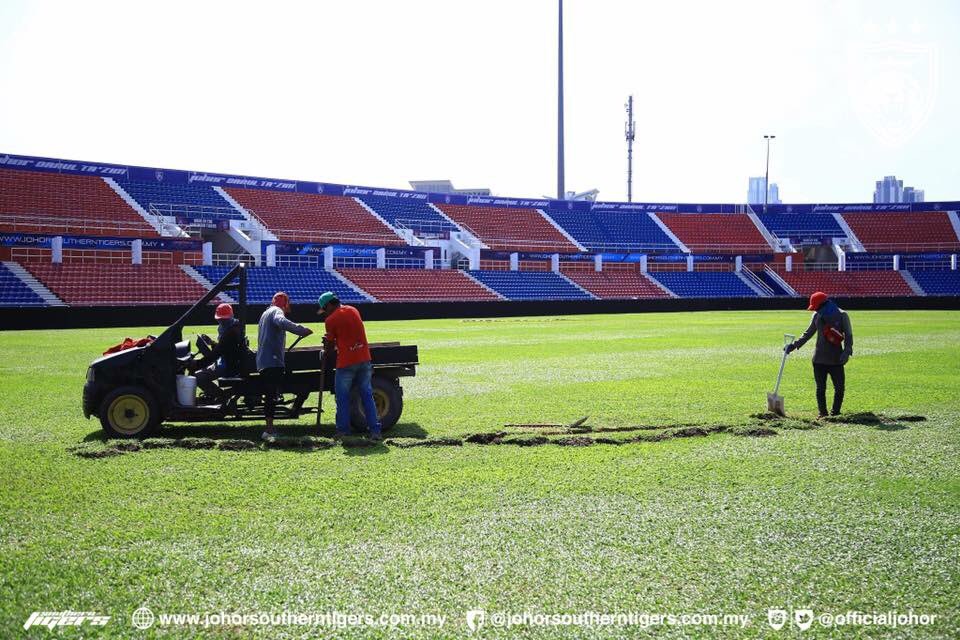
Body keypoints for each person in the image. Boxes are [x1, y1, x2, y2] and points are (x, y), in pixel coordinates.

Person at [317, 291, 382, 441]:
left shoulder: (330, 320)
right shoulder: (353, 310)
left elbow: (330, 345)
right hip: (364, 359)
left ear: (329, 305)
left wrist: (325, 349)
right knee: (367, 396)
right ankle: (375, 431)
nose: (325, 312)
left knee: (342, 398)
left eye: (325, 309)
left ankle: (343, 431)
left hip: (346, 362)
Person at [785, 291, 854, 418]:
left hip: (836, 359)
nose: (815, 310)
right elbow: (808, 334)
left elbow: (848, 335)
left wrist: (847, 351)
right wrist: (794, 345)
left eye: (816, 307)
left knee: (839, 388)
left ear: (824, 304)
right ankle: (823, 413)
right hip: (819, 359)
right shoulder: (817, 316)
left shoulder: (842, 315)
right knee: (820, 388)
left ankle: (835, 413)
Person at [257, 292, 312, 441]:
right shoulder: (276, 311)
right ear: (285, 304)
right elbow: (281, 321)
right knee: (271, 395)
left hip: (265, 360)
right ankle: (269, 430)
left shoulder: (265, 313)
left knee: (271, 394)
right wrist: (301, 330)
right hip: (272, 361)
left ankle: (272, 427)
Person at [191, 303, 248, 403]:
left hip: (228, 365)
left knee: (198, 377)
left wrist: (198, 364)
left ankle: (222, 396)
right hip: (226, 361)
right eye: (220, 319)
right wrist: (212, 343)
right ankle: (219, 396)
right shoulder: (232, 327)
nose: (221, 321)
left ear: (231, 316)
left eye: (224, 319)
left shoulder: (231, 332)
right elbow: (224, 348)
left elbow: (217, 353)